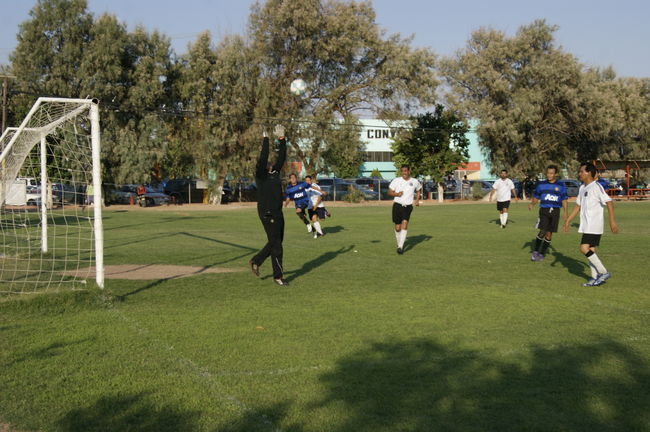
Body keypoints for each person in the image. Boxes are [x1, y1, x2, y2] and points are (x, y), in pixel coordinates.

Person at [563, 162, 619, 286]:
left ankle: (603, 272)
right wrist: (568, 220)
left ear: (589, 173)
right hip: (586, 225)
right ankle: (594, 278)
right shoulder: (582, 187)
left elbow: (609, 203)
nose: (579, 173)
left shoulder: (596, 187)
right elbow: (578, 205)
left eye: (581, 171)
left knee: (583, 248)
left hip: (594, 225)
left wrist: (612, 222)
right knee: (591, 250)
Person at [249, 125, 289, 286]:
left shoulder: (274, 173)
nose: (268, 164)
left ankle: (256, 260)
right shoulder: (261, 176)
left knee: (276, 241)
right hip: (267, 213)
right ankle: (278, 277)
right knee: (276, 245)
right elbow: (264, 157)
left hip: (278, 212)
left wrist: (282, 139)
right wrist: (265, 140)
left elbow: (282, 157)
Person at [527, 165, 568, 262]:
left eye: (551, 173)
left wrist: (566, 212)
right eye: (548, 173)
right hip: (544, 210)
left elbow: (564, 199)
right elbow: (536, 196)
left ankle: (541, 254)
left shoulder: (561, 185)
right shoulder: (541, 185)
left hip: (555, 211)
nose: (549, 175)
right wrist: (532, 204)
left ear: (555, 174)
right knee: (542, 231)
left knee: (549, 234)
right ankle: (535, 252)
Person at [388, 165, 422, 254]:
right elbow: (389, 192)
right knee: (398, 228)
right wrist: (397, 194)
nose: (404, 173)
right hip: (397, 205)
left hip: (408, 206)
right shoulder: (396, 180)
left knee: (405, 223)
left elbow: (418, 190)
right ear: (401, 172)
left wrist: (417, 200)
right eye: (403, 171)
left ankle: (400, 247)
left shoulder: (414, 181)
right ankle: (399, 243)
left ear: (409, 171)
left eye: (406, 171)